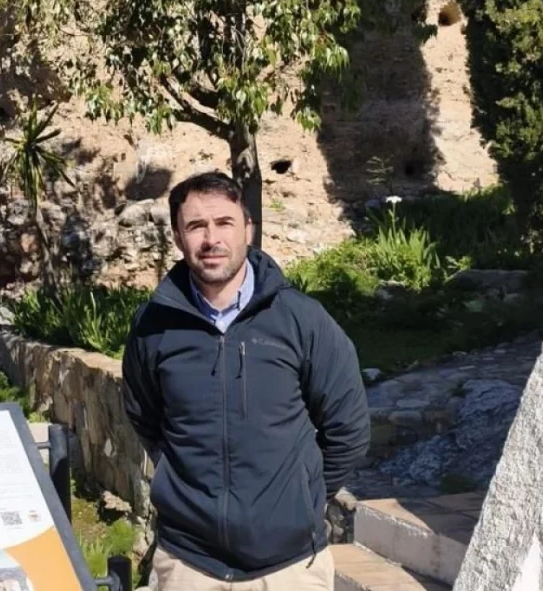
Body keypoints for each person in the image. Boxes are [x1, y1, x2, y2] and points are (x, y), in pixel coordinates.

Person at [122, 171, 370, 590]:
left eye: (224, 223)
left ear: (248, 230)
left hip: (290, 568)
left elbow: (348, 429)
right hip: (189, 565)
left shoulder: (300, 320)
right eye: (196, 226)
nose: (211, 238)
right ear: (179, 238)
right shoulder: (153, 328)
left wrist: (299, 497)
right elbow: (146, 418)